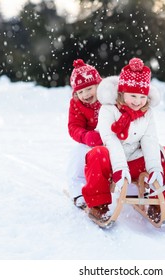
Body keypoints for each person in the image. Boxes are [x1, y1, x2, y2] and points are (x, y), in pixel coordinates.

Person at [82, 57, 165, 223]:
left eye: (142, 97)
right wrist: (120, 168)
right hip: (112, 162)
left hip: (134, 160)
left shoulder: (147, 113)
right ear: (122, 93)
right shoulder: (108, 110)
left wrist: (155, 167)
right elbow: (110, 139)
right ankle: (98, 205)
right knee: (97, 154)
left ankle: (159, 203)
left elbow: (150, 139)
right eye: (132, 95)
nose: (137, 101)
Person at [66, 59, 103, 209]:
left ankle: (132, 190)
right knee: (79, 155)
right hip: (89, 140)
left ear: (98, 85)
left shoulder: (107, 97)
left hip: (110, 139)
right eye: (80, 92)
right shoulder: (76, 104)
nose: (85, 94)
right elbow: (74, 126)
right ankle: (78, 189)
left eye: (89, 89)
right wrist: (85, 136)